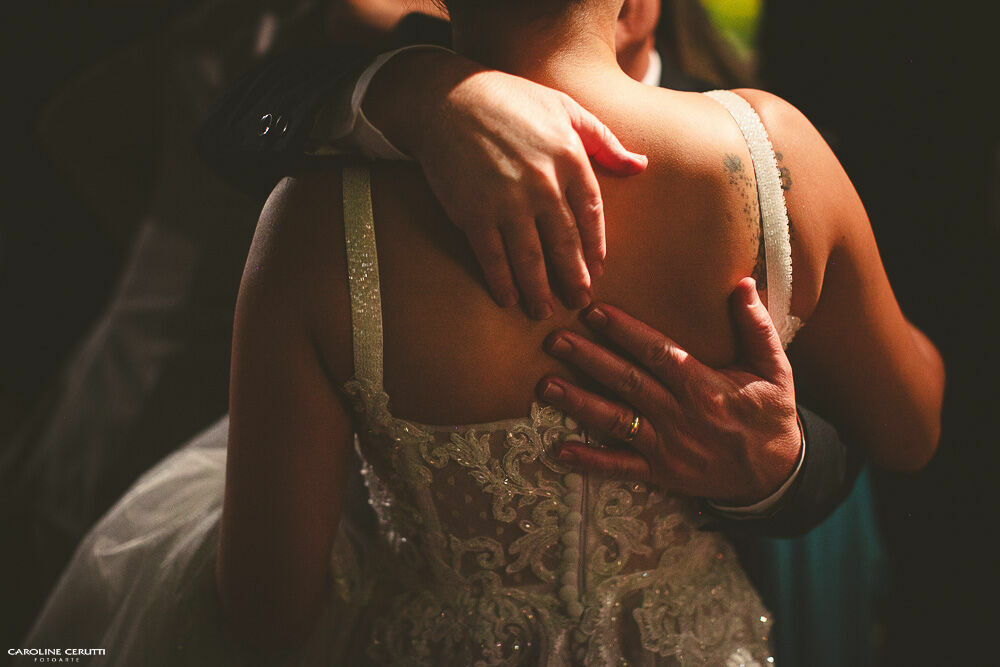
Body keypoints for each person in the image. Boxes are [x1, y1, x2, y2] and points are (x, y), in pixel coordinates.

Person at [22, 0, 943, 663]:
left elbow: (269, 615)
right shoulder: (774, 156)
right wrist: (424, 96)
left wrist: (782, 466)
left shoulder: (313, 225)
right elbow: (915, 424)